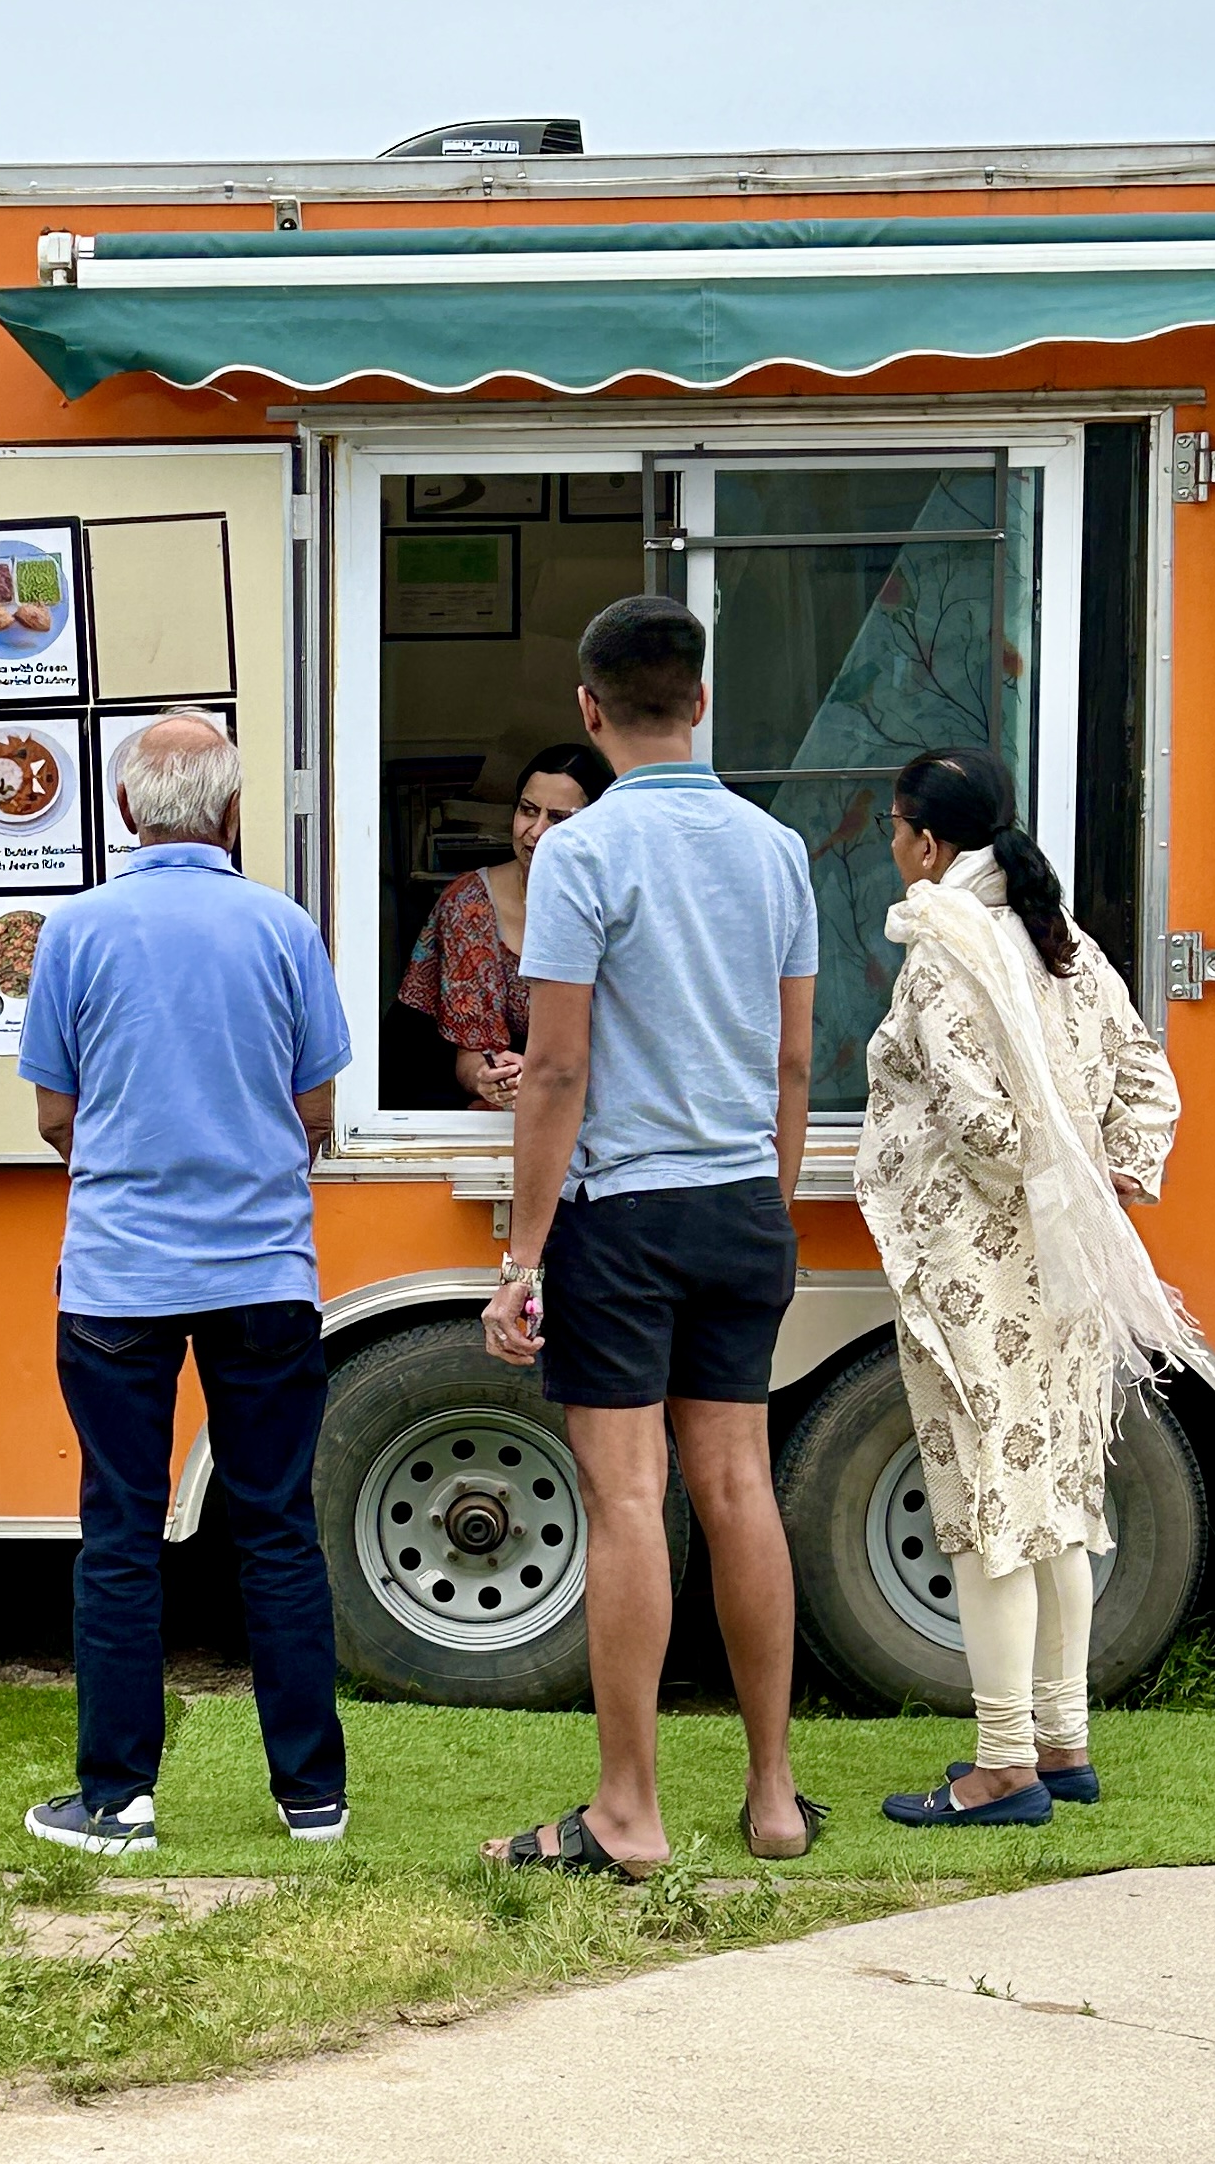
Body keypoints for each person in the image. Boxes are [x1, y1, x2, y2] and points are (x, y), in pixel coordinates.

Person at [479, 596, 823, 1877]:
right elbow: (794, 1060)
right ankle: (774, 1799)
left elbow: (555, 1071)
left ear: (590, 710)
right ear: (702, 702)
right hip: (744, 1201)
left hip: (621, 1214)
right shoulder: (775, 848)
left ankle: (629, 1813)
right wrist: (770, 1201)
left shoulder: (581, 854)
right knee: (740, 1488)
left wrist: (519, 1261)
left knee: (629, 1500)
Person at [18, 710, 354, 1858]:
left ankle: (117, 1800)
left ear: (121, 810)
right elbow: (317, 1110)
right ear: (230, 810)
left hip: (117, 1274)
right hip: (263, 1267)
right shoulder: (283, 927)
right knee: (275, 1528)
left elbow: (55, 1115)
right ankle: (311, 1795)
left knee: (119, 1528)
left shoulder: (77, 931)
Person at [853, 747, 1190, 1827]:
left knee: (986, 1505)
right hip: (1068, 1265)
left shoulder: (940, 951)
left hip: (973, 1270)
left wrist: (1052, 1161)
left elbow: (979, 1123)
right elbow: (1146, 1074)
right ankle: (1064, 1741)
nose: (892, 847)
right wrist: (1114, 1170)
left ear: (928, 840)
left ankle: (1002, 1763)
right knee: (1057, 1499)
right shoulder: (1063, 941)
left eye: (897, 829)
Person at [396, 742, 612, 1109]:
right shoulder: (469, 904)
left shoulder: (620, 904)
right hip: (500, 1113)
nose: (536, 831)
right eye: (528, 811)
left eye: (559, 819)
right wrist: (488, 1080)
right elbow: (473, 1057)